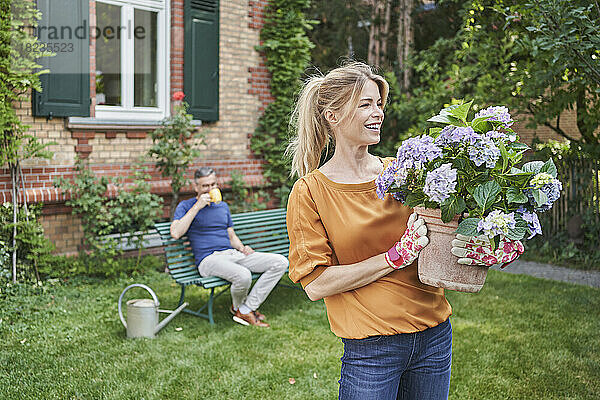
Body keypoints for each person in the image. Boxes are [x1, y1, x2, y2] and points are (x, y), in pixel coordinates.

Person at [285, 62, 522, 400]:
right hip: (371, 351)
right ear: (332, 116)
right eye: (365, 104)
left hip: (434, 337)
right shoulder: (310, 192)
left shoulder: (402, 173)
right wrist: (394, 257)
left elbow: (445, 231)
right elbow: (317, 284)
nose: (377, 112)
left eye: (379, 104)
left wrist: (493, 243)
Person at [170, 167, 288, 327]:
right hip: (208, 260)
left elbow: (231, 236)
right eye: (205, 186)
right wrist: (197, 206)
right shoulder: (186, 206)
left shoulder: (222, 206)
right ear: (196, 187)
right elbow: (176, 233)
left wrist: (242, 248)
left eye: (213, 184)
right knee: (244, 275)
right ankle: (243, 311)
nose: (210, 189)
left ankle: (245, 309)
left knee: (280, 262)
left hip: (232, 254)